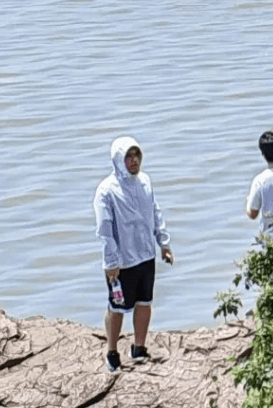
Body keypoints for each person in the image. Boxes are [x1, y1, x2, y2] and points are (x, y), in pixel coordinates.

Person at [93, 136, 174, 373]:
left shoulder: (145, 182)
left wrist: (164, 243)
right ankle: (112, 351)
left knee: (145, 303)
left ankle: (139, 347)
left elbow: (155, 212)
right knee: (116, 307)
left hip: (145, 255)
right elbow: (105, 230)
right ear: (118, 159)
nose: (133, 161)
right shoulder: (106, 191)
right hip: (122, 262)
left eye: (136, 155)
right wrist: (111, 262)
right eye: (128, 157)